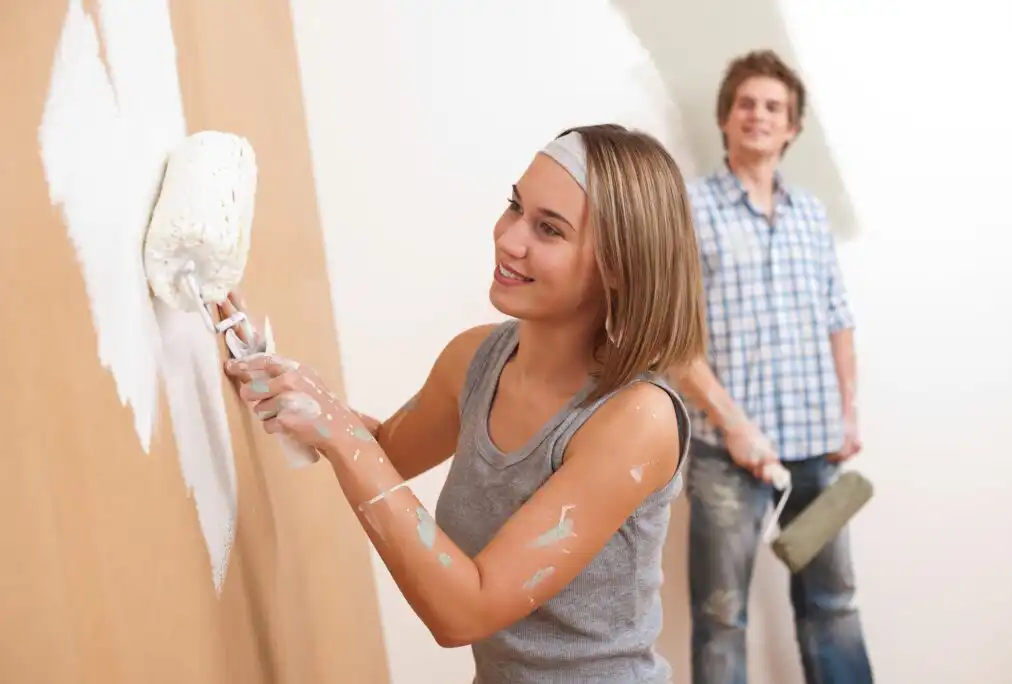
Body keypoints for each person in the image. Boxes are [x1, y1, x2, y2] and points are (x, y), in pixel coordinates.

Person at [216, 124, 706, 683]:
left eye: (549, 229)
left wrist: (336, 431)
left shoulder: (634, 419)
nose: (509, 239)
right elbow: (385, 456)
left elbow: (463, 613)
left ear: (618, 266)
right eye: (515, 207)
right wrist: (284, 379)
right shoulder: (476, 359)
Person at [671, 49, 873, 683]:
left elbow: (838, 319)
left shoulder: (812, 215)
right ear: (726, 119)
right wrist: (732, 425)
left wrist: (848, 415)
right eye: (747, 104)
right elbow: (675, 339)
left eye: (774, 107)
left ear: (792, 128)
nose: (759, 115)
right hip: (725, 456)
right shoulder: (690, 209)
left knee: (832, 606)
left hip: (818, 449)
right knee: (721, 619)